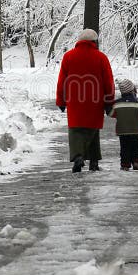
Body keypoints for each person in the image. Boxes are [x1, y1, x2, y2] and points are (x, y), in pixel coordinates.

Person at [55, 29, 115, 173]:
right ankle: (93, 162)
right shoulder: (101, 57)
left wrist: (61, 101)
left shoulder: (68, 57)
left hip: (74, 102)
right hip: (95, 101)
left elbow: (61, 81)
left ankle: (77, 157)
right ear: (94, 42)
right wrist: (109, 102)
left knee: (76, 130)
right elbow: (108, 82)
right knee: (92, 131)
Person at [107, 79, 138, 171]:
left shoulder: (117, 103)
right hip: (136, 130)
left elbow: (111, 113)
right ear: (132, 90)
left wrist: (108, 106)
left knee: (124, 148)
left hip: (122, 130)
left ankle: (125, 164)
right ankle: (136, 162)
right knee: (136, 147)